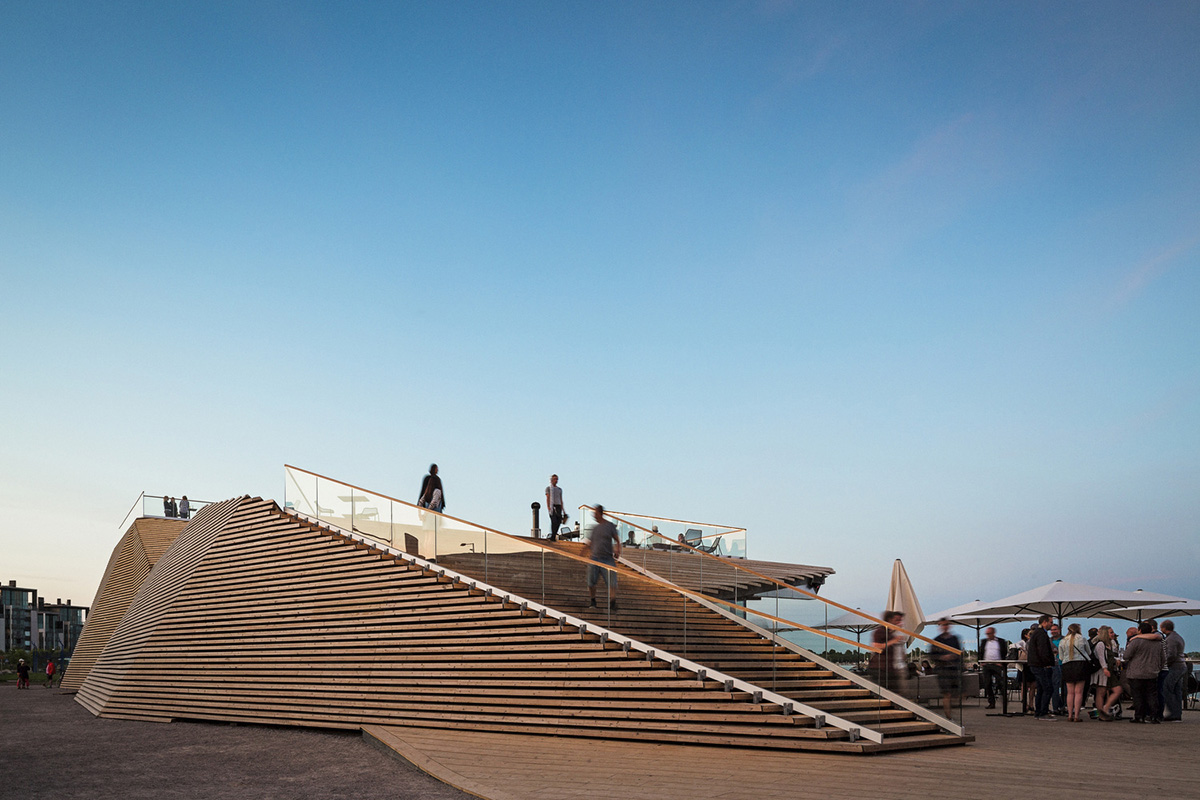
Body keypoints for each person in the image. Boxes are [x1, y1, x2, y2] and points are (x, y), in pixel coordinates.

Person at [1123, 621, 1164, 723]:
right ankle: (1154, 716)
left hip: (1136, 673)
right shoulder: (1158, 643)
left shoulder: (1135, 642)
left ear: (1140, 630)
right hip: (1152, 672)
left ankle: (1139, 716)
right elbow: (1163, 658)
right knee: (1152, 695)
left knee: (1138, 695)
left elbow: (1126, 656)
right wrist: (1158, 668)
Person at [586, 505, 621, 610]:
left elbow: (617, 539)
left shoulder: (610, 526)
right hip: (595, 557)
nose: (594, 516)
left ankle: (612, 601)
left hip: (607, 557)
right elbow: (590, 542)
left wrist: (617, 549)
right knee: (591, 581)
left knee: (612, 580)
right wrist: (583, 553)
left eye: (595, 513)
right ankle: (593, 601)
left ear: (600, 514)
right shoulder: (595, 528)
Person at [868, 610, 910, 695]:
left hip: (889, 668)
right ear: (889, 620)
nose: (899, 623)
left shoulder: (890, 633)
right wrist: (894, 641)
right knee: (890, 693)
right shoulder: (880, 631)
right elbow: (876, 646)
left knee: (895, 692)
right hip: (880, 668)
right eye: (897, 620)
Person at [1058, 623, 1091, 722]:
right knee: (1079, 692)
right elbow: (1088, 652)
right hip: (1080, 665)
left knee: (1070, 692)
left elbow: (1060, 656)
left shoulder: (1063, 641)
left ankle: (1069, 715)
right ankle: (1076, 715)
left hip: (1067, 665)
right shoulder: (1082, 639)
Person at [930, 619, 963, 718]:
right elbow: (932, 656)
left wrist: (954, 658)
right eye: (943, 625)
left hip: (953, 669)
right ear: (940, 626)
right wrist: (942, 658)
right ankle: (948, 717)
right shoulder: (937, 640)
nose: (945, 627)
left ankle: (950, 714)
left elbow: (960, 653)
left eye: (946, 625)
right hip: (943, 670)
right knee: (947, 694)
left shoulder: (954, 639)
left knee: (955, 694)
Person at [1027, 615, 1057, 720]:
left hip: (1036, 664)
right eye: (1051, 622)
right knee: (1048, 688)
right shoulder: (1041, 634)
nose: (1052, 624)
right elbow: (1042, 650)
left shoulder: (1038, 633)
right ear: (1044, 622)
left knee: (1040, 689)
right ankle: (1043, 712)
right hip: (1040, 665)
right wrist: (1047, 662)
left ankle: (1038, 712)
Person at [1094, 626, 1123, 721]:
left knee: (1117, 689)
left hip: (1109, 670)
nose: (1113, 634)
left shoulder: (1111, 643)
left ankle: (1105, 708)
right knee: (1101, 692)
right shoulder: (1100, 644)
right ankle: (1101, 713)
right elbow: (1101, 657)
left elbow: (1113, 654)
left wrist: (1116, 660)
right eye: (1111, 632)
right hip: (1103, 671)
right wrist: (1105, 668)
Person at [1161, 620, 1186, 721]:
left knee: (1167, 688)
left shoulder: (1170, 639)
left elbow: (1171, 654)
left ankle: (1173, 713)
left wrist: (1164, 664)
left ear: (1164, 628)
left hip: (1175, 667)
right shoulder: (1178, 637)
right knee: (1177, 691)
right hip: (1181, 666)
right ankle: (1177, 713)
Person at [979, 627, 1009, 709]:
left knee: (1000, 682)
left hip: (997, 665)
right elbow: (981, 651)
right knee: (987, 684)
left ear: (993, 633)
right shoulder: (984, 641)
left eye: (989, 633)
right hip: (987, 665)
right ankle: (991, 702)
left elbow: (1004, 652)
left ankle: (1004, 700)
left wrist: (1002, 663)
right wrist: (982, 662)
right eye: (987, 634)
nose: (988, 635)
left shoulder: (1001, 641)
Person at [545, 474, 563, 541]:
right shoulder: (549, 488)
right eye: (555, 479)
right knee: (554, 521)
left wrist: (563, 509)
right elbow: (548, 497)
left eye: (557, 479)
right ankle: (553, 536)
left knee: (558, 521)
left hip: (558, 506)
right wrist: (548, 506)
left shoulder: (559, 489)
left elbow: (561, 499)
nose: (556, 481)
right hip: (552, 506)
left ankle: (554, 535)